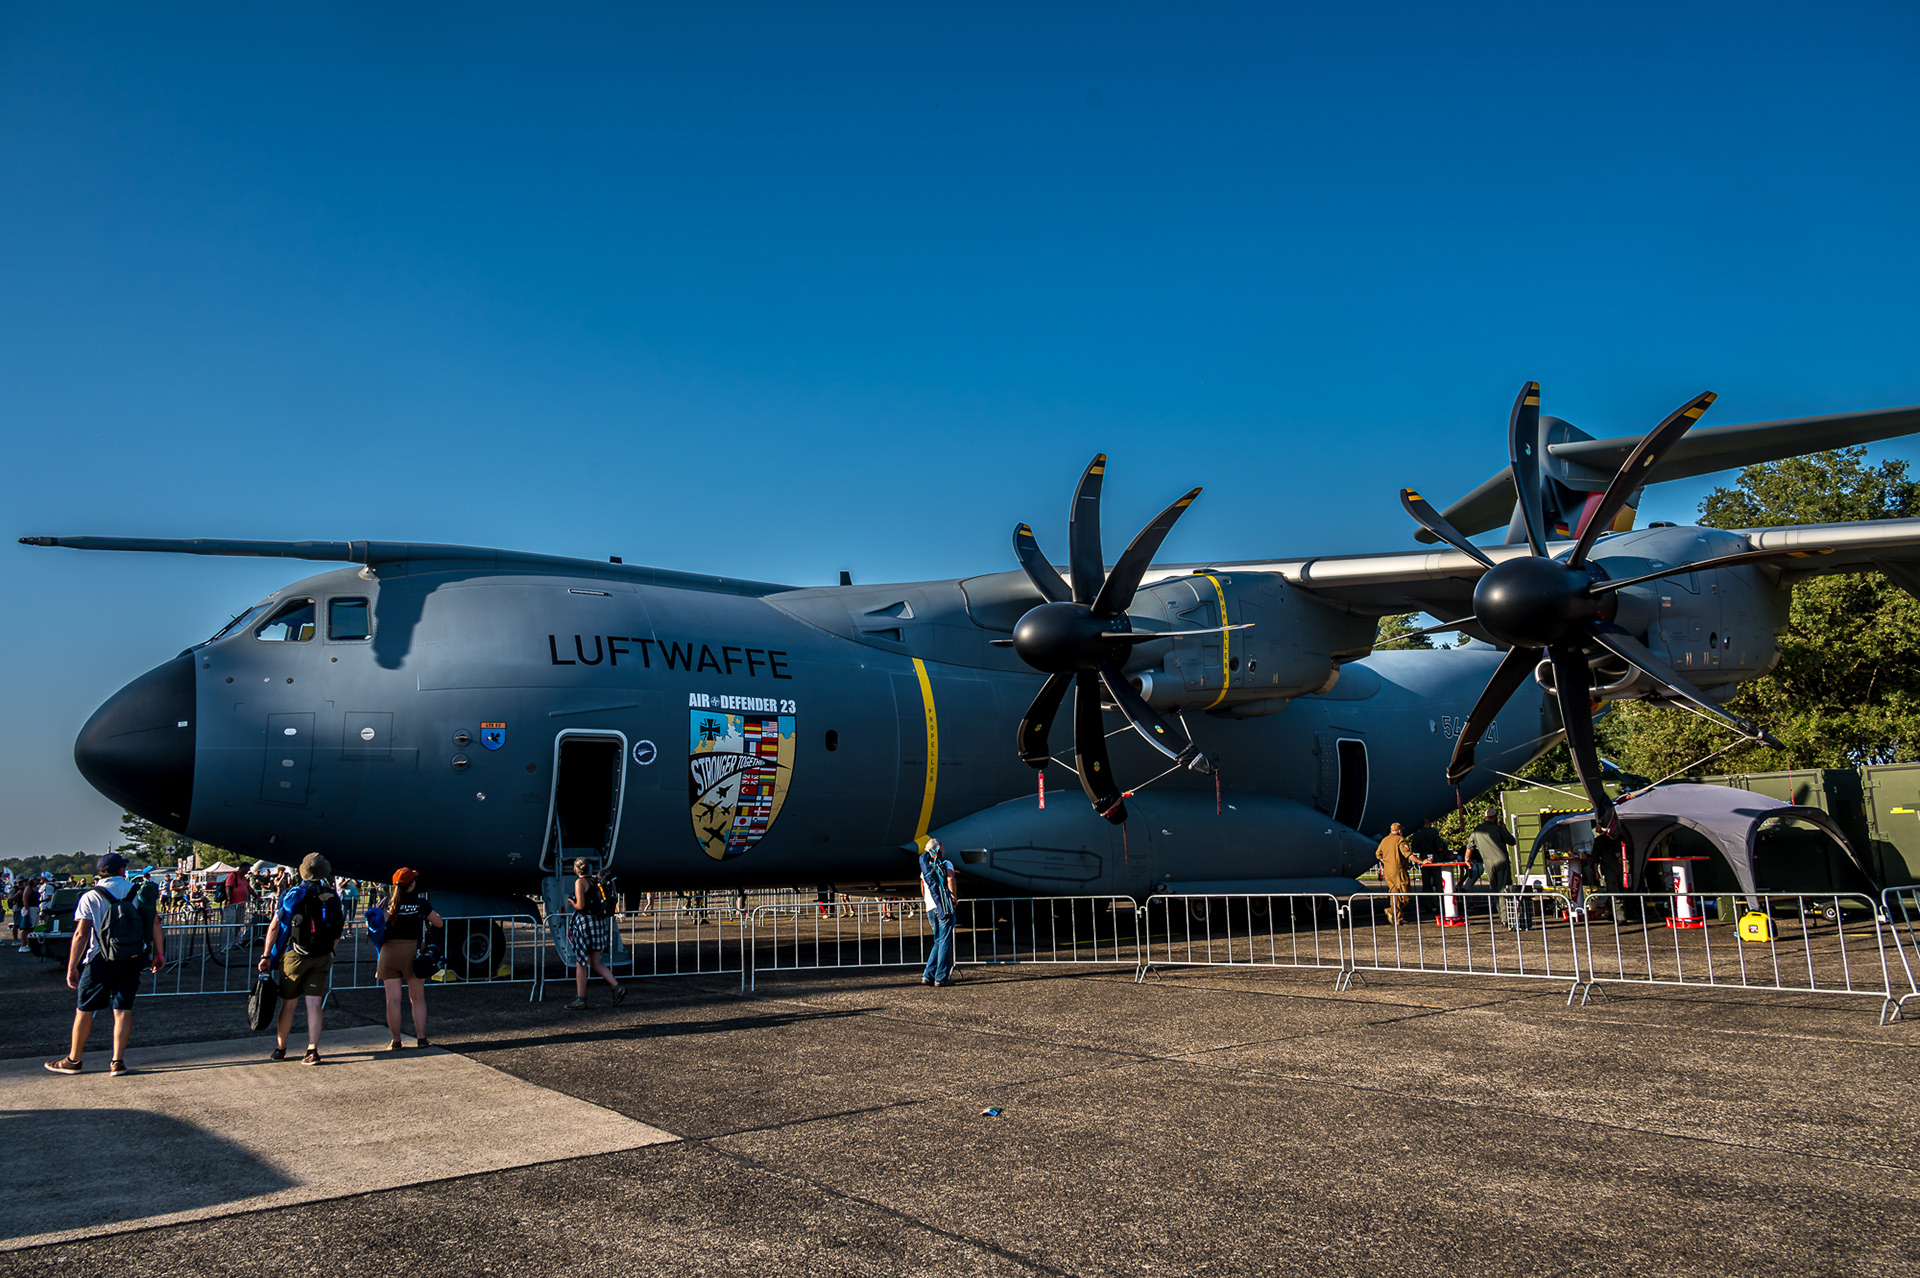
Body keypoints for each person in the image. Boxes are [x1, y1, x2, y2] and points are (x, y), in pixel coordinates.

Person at [45, 854, 164, 1076]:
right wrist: (158, 953)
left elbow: (81, 934)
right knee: (123, 1008)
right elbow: (154, 922)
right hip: (132, 957)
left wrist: (72, 967)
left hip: (100, 957)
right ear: (122, 870)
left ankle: (74, 1059)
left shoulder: (90, 895)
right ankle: (117, 1062)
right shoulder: (137, 891)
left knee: (85, 1009)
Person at [257, 853, 345, 1065]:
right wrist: (330, 951)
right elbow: (337, 929)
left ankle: (281, 1048)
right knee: (314, 1004)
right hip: (321, 955)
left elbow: (275, 926)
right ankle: (312, 1049)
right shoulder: (332, 896)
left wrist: (266, 955)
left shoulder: (291, 894)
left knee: (288, 1004)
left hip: (294, 954)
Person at [377, 868, 444, 1049]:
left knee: (393, 1000)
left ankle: (396, 1041)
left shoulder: (386, 902)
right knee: (417, 997)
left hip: (389, 953)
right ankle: (421, 1038)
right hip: (413, 952)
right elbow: (438, 922)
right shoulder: (420, 903)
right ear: (412, 885)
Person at [564, 858, 626, 1010]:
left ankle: (580, 998)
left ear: (575, 870)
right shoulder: (596, 881)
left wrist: (572, 903)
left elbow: (581, 905)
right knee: (596, 961)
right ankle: (616, 986)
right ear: (589, 869)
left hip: (585, 924)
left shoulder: (580, 882)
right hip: (598, 922)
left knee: (581, 962)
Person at [919, 837, 958, 987]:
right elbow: (950, 879)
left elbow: (922, 884)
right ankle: (941, 977)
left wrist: (926, 901)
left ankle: (928, 975)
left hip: (930, 907)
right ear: (938, 848)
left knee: (938, 941)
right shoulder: (946, 863)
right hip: (944, 907)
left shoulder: (925, 866)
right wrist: (953, 898)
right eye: (941, 844)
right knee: (945, 941)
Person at [1375, 822, 1419, 926]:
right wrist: (1421, 861)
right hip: (1399, 870)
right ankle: (1392, 911)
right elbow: (1407, 854)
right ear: (1399, 830)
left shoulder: (1384, 840)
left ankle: (1398, 918)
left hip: (1388, 871)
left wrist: (1385, 861)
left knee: (1394, 894)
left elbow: (1378, 854)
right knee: (1406, 894)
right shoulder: (1400, 839)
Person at [1472, 810, 1519, 894]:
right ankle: (1503, 902)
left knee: (1494, 887)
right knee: (1504, 886)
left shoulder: (1477, 830)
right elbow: (1512, 841)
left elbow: (1470, 846)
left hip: (1488, 862)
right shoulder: (1498, 829)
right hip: (1501, 860)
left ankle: (1497, 902)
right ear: (1495, 817)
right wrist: (1504, 829)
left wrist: (1466, 859)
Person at [1409, 817, 1447, 902]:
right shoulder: (1434, 833)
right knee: (1438, 883)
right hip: (1435, 860)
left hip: (1424, 860)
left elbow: (1414, 849)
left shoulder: (1417, 834)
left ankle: (1427, 903)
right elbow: (1440, 848)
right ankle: (1440, 903)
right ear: (1429, 824)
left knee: (1426, 883)